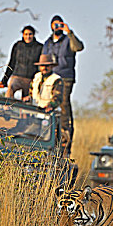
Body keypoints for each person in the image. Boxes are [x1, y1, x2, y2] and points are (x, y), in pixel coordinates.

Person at [42, 15, 84, 154]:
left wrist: (70, 32)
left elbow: (78, 47)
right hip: (51, 78)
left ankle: (66, 143)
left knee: (63, 105)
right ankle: (49, 140)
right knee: (48, 107)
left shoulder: (68, 40)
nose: (57, 27)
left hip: (65, 77)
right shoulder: (47, 43)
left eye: (59, 24)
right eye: (55, 25)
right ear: (51, 26)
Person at [0, 25, 42, 99]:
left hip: (31, 79)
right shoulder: (17, 45)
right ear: (23, 35)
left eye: (30, 34)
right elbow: (12, 63)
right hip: (17, 76)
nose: (28, 37)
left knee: (27, 100)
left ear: (33, 35)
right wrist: (4, 80)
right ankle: (7, 109)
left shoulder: (39, 47)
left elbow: (41, 65)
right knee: (10, 91)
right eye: (26, 34)